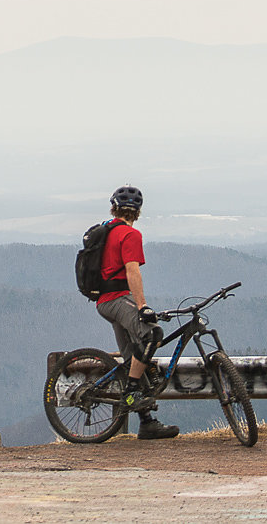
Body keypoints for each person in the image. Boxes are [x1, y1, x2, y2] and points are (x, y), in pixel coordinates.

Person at [92, 185, 178, 440]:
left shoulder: (105, 230)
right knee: (153, 335)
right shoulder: (130, 235)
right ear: (138, 211)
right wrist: (142, 307)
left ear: (113, 207)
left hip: (104, 302)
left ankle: (147, 424)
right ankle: (131, 392)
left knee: (134, 361)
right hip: (119, 299)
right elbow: (132, 271)